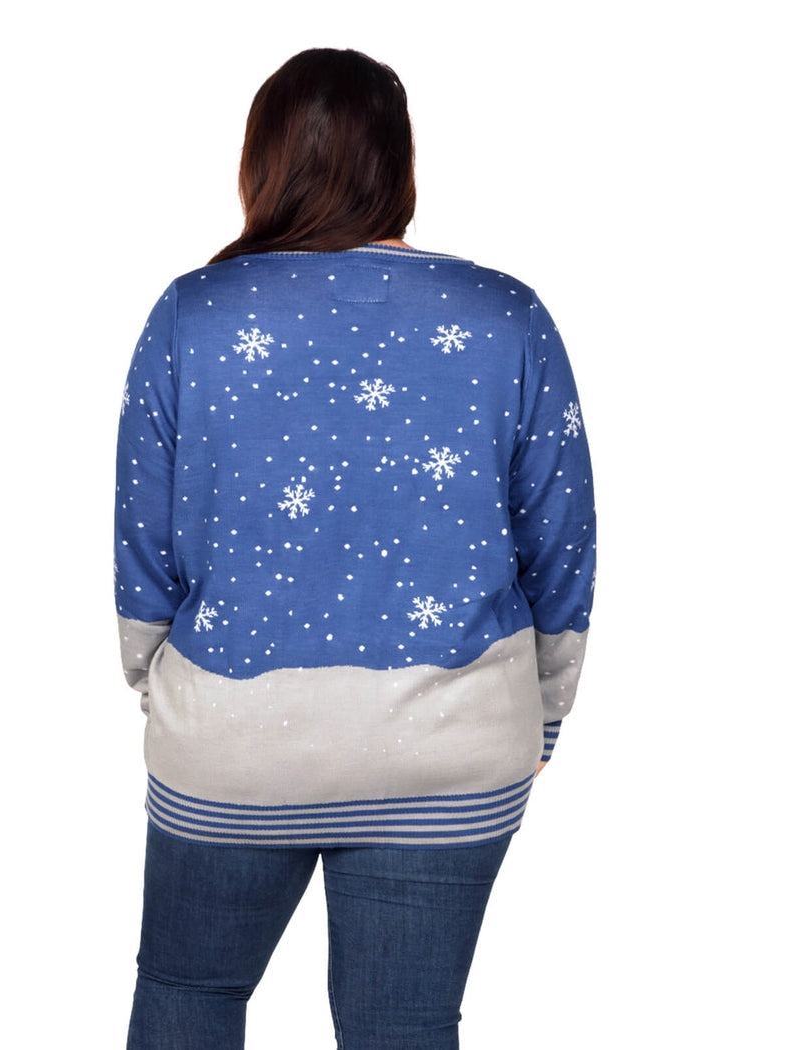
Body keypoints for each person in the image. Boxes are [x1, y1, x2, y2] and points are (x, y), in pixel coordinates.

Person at [115, 47, 595, 1050]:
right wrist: (544, 714)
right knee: (402, 1026)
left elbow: (144, 539)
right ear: (400, 162)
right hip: (452, 745)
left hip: (230, 741)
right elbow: (561, 540)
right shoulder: (505, 313)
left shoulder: (193, 313)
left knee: (190, 990)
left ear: (260, 161)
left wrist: (158, 686)